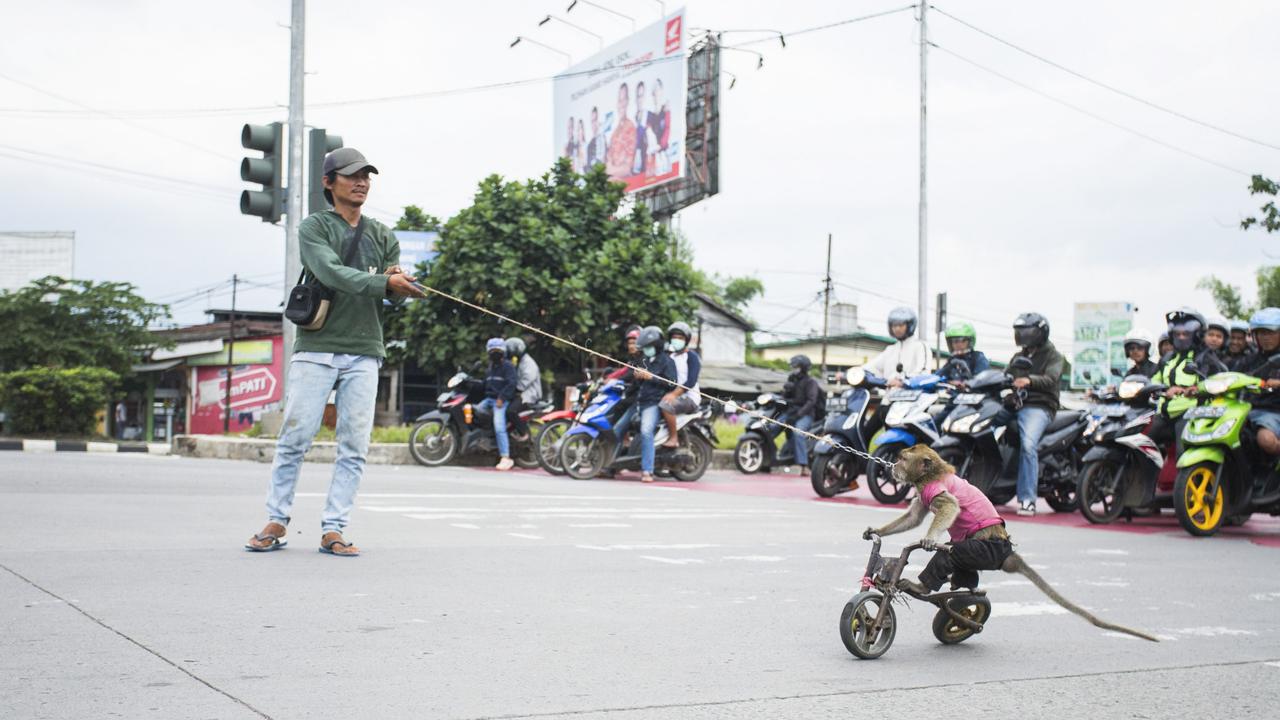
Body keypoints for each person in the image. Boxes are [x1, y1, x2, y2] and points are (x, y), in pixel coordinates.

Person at [246, 147, 425, 557]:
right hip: (318, 347)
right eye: (351, 175)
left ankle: (335, 528)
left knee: (354, 446)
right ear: (329, 183)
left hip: (366, 351)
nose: (361, 182)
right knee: (295, 437)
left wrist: (398, 282)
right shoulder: (314, 228)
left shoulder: (382, 234)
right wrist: (383, 284)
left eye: (366, 176)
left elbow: (390, 292)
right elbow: (329, 272)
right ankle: (276, 519)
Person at [1002, 312, 1064, 517]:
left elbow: (1052, 378)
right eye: (1020, 331)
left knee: (1028, 445)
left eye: (1027, 330)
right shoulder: (1019, 356)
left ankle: (1028, 499)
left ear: (1041, 332)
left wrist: (1029, 380)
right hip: (1015, 405)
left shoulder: (1053, 355)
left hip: (1039, 406)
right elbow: (1006, 374)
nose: (1023, 335)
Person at [1147, 307, 1209, 457]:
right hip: (1164, 413)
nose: (1181, 337)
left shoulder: (1204, 357)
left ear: (1196, 335)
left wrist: (1189, 389)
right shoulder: (1167, 358)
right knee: (1143, 444)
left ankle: (1183, 479)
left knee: (1183, 453)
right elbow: (1155, 379)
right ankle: (1145, 480)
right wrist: (1157, 389)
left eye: (1186, 334)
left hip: (1191, 413)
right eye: (1177, 334)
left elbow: (1210, 383)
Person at [632, 326, 676, 483]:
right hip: (638, 402)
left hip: (653, 403)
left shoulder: (667, 361)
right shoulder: (644, 360)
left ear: (657, 345)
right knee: (618, 426)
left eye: (649, 347)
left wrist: (651, 377)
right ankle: (610, 466)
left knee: (645, 431)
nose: (646, 350)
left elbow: (672, 383)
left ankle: (647, 471)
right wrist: (637, 376)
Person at [658, 321, 702, 450]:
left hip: (689, 398)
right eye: (674, 337)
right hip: (673, 394)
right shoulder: (669, 357)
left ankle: (673, 438)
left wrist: (673, 394)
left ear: (686, 340)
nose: (677, 340)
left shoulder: (692, 357)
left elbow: (691, 381)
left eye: (680, 338)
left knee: (666, 405)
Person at [1243, 308, 1280, 455]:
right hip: (1246, 411)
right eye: (1261, 333)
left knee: (1265, 439)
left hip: (1274, 412)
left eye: (1270, 332)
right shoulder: (1249, 360)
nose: (1265, 337)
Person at [477, 338, 518, 471]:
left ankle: (506, 457)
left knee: (499, 426)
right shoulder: (490, 368)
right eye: (492, 351)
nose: (495, 354)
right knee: (474, 412)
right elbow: (485, 385)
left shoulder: (508, 366)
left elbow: (511, 384)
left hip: (501, 402)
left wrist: (501, 398)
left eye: (497, 351)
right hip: (489, 400)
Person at [780, 354, 823, 473]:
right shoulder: (792, 380)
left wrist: (798, 415)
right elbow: (785, 398)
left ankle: (803, 465)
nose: (794, 369)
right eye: (793, 367)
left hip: (806, 415)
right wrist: (786, 390)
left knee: (798, 432)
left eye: (796, 367)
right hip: (791, 412)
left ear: (803, 368)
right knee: (772, 425)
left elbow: (811, 401)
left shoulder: (811, 382)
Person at [866, 306, 930, 386]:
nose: (897, 329)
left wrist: (903, 381)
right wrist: (856, 372)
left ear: (910, 325)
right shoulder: (890, 350)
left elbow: (924, 372)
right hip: (888, 395)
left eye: (901, 325)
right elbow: (871, 368)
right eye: (894, 325)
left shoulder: (920, 346)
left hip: (913, 396)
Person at [507, 336, 542, 442]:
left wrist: (515, 390)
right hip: (522, 393)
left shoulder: (528, 363)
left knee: (511, 411)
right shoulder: (520, 361)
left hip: (529, 395)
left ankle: (524, 434)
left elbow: (525, 381)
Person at [606, 83, 636, 178]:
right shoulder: (614, 133)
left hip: (627, 184)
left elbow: (627, 168)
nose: (621, 104)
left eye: (624, 100)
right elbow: (607, 167)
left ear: (627, 101)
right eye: (619, 100)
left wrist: (612, 172)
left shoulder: (630, 128)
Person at [633, 80, 649, 175]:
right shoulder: (633, 120)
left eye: (642, 96)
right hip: (635, 167)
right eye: (638, 96)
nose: (640, 100)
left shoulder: (649, 117)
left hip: (647, 165)